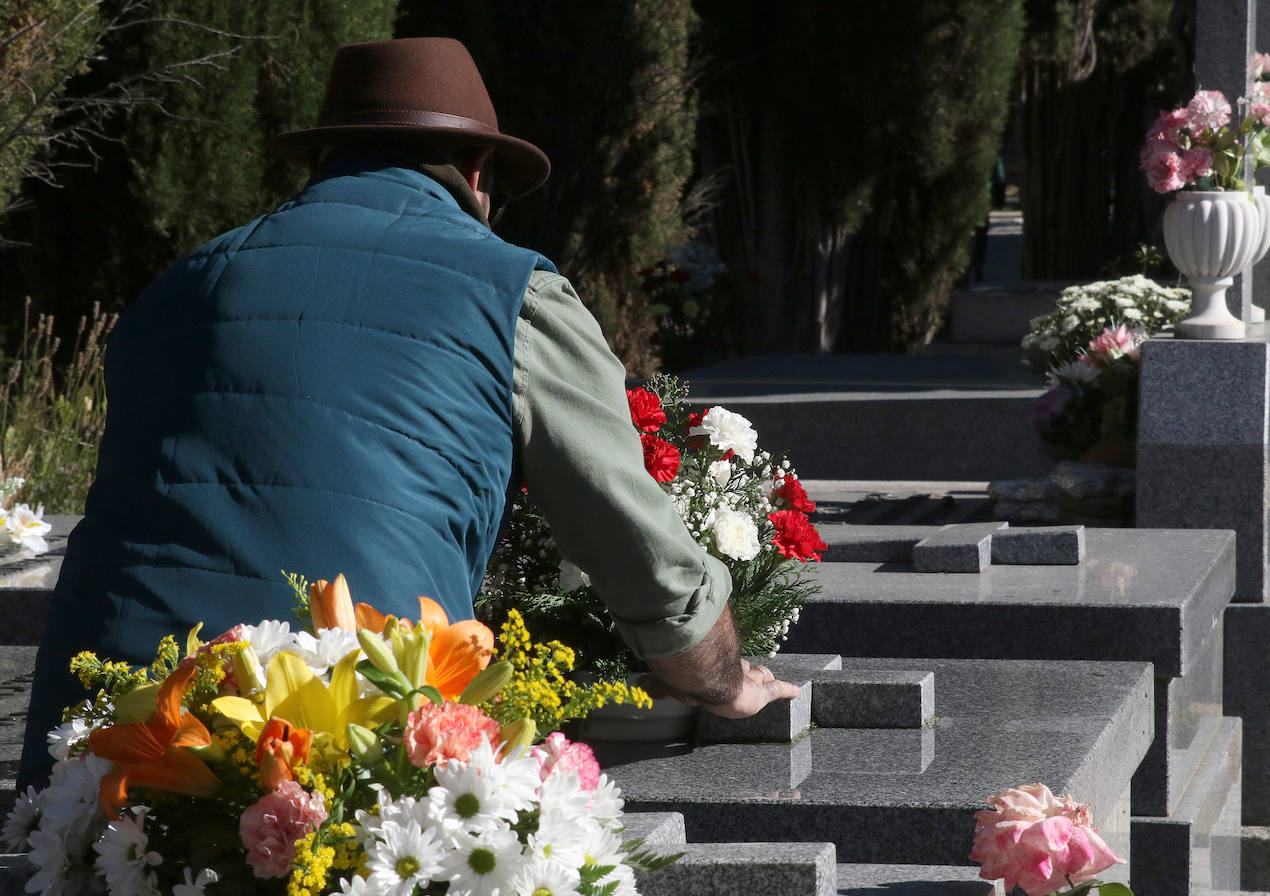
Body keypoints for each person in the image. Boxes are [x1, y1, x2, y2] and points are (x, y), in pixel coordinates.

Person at [18, 37, 797, 788]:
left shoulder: (178, 287)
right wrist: (722, 680)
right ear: (478, 170)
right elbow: (634, 544)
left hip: (101, 738)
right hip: (347, 737)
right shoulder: (511, 293)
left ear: (323, 158)